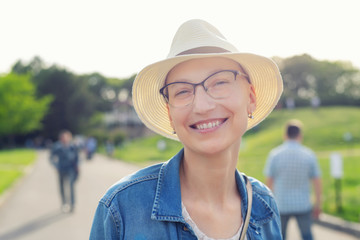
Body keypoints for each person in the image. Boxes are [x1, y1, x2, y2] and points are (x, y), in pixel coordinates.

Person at [90, 19, 284, 239]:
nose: (201, 106)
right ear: (170, 114)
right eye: (182, 91)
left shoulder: (264, 206)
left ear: (250, 97)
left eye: (220, 82)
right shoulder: (121, 209)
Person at [264, 120, 322, 240]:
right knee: (307, 236)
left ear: (285, 135)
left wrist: (268, 206)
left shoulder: (275, 155)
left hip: (281, 204)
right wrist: (318, 204)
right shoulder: (309, 155)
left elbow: (268, 184)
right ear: (300, 135)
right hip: (303, 204)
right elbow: (317, 182)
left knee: (279, 236)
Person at [50, 130, 79, 213]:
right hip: (61, 169)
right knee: (62, 187)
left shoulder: (73, 147)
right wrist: (56, 166)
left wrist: (77, 166)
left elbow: (77, 158)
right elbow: (51, 158)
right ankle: (64, 203)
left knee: (71, 187)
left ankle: (72, 204)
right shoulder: (57, 147)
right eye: (62, 137)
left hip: (71, 169)